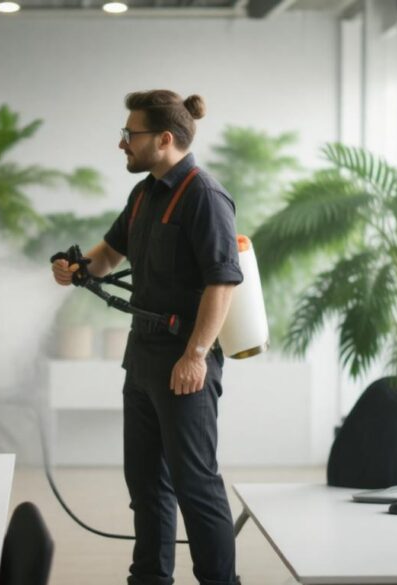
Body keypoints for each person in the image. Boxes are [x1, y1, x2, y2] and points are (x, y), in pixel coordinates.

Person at [51, 90, 243, 585]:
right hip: (142, 361)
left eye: (129, 135)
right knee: (147, 485)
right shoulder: (144, 194)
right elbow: (108, 256)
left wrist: (196, 355)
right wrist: (74, 267)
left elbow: (223, 282)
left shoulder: (204, 195)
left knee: (195, 485)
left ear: (163, 138)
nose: (122, 144)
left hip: (184, 364)